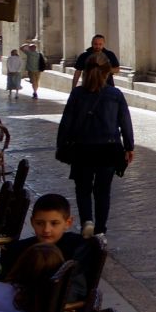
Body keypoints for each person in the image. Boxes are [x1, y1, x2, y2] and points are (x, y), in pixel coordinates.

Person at [55, 61, 134, 238]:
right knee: (103, 191)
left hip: (82, 149)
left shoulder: (77, 94)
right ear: (107, 74)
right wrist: (129, 146)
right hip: (108, 149)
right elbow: (125, 122)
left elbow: (66, 121)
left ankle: (87, 222)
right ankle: (100, 229)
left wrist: (61, 145)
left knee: (82, 188)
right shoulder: (115, 94)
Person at [0, 191, 94, 296]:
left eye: (54, 223)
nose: (46, 230)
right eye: (40, 223)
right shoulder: (17, 250)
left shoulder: (78, 248)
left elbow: (76, 291)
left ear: (68, 223)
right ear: (32, 222)